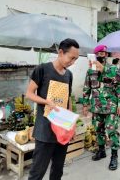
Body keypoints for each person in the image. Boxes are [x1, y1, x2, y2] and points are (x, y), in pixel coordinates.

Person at [26, 38, 79, 180]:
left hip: (62, 130)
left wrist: (70, 125)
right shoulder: (42, 69)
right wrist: (46, 102)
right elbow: (29, 94)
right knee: (37, 172)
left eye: (76, 59)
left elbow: (68, 100)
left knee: (57, 170)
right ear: (61, 52)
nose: (73, 62)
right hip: (45, 130)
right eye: (71, 58)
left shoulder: (69, 75)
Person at [82, 45, 120, 170]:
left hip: (111, 106)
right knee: (98, 130)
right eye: (100, 53)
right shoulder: (90, 70)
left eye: (104, 53)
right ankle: (101, 151)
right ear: (95, 55)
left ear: (107, 55)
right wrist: (85, 104)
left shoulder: (112, 69)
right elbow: (87, 88)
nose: (102, 55)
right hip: (96, 106)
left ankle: (114, 156)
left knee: (111, 131)